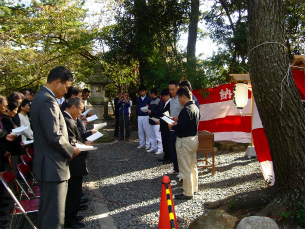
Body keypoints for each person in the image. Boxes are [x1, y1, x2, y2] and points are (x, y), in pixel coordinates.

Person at [31, 66, 81, 228]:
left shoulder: (40, 97)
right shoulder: (47, 100)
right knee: (54, 216)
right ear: (57, 82)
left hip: (47, 164)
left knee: (47, 211)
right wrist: (70, 150)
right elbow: (54, 135)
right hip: (53, 166)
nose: (66, 91)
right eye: (66, 87)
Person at [63, 97, 92, 228]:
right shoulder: (66, 120)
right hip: (73, 161)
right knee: (72, 193)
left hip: (76, 159)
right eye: (80, 110)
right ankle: (69, 219)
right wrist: (83, 144)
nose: (80, 114)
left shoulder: (70, 119)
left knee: (74, 191)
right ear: (73, 107)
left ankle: (72, 215)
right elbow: (71, 142)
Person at [168, 87, 200, 200]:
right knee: (192, 165)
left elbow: (180, 128)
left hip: (185, 141)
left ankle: (187, 192)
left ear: (184, 97)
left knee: (185, 167)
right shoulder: (195, 107)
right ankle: (194, 188)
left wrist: (172, 126)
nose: (179, 100)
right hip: (193, 139)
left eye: (179, 98)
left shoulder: (186, 110)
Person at [167, 80, 183, 176]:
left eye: (173, 89)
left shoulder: (181, 99)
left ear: (178, 88)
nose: (171, 92)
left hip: (179, 128)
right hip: (171, 127)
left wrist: (178, 119)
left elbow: (185, 114)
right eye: (170, 90)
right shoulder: (171, 100)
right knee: (173, 149)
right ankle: (176, 168)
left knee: (180, 150)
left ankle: (181, 170)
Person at [147, 88, 163, 154]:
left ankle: (160, 149)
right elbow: (151, 109)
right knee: (152, 135)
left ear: (153, 94)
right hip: (151, 120)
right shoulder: (151, 101)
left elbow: (160, 111)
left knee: (158, 136)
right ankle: (153, 147)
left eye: (150, 93)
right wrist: (147, 108)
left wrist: (152, 112)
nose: (150, 95)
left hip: (157, 121)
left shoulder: (160, 101)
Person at [157, 88, 172, 164]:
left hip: (167, 125)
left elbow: (170, 115)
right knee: (164, 142)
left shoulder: (171, 103)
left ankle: (169, 157)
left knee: (168, 142)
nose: (163, 98)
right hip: (163, 125)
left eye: (164, 96)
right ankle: (166, 156)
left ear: (168, 95)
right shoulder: (165, 103)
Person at [136, 86, 151, 150]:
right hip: (140, 115)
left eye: (143, 91)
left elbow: (151, 107)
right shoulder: (138, 99)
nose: (142, 92)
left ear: (145, 91)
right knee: (140, 130)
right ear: (139, 92)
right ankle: (141, 143)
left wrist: (148, 107)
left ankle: (148, 144)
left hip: (146, 115)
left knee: (146, 130)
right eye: (141, 91)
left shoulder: (148, 99)